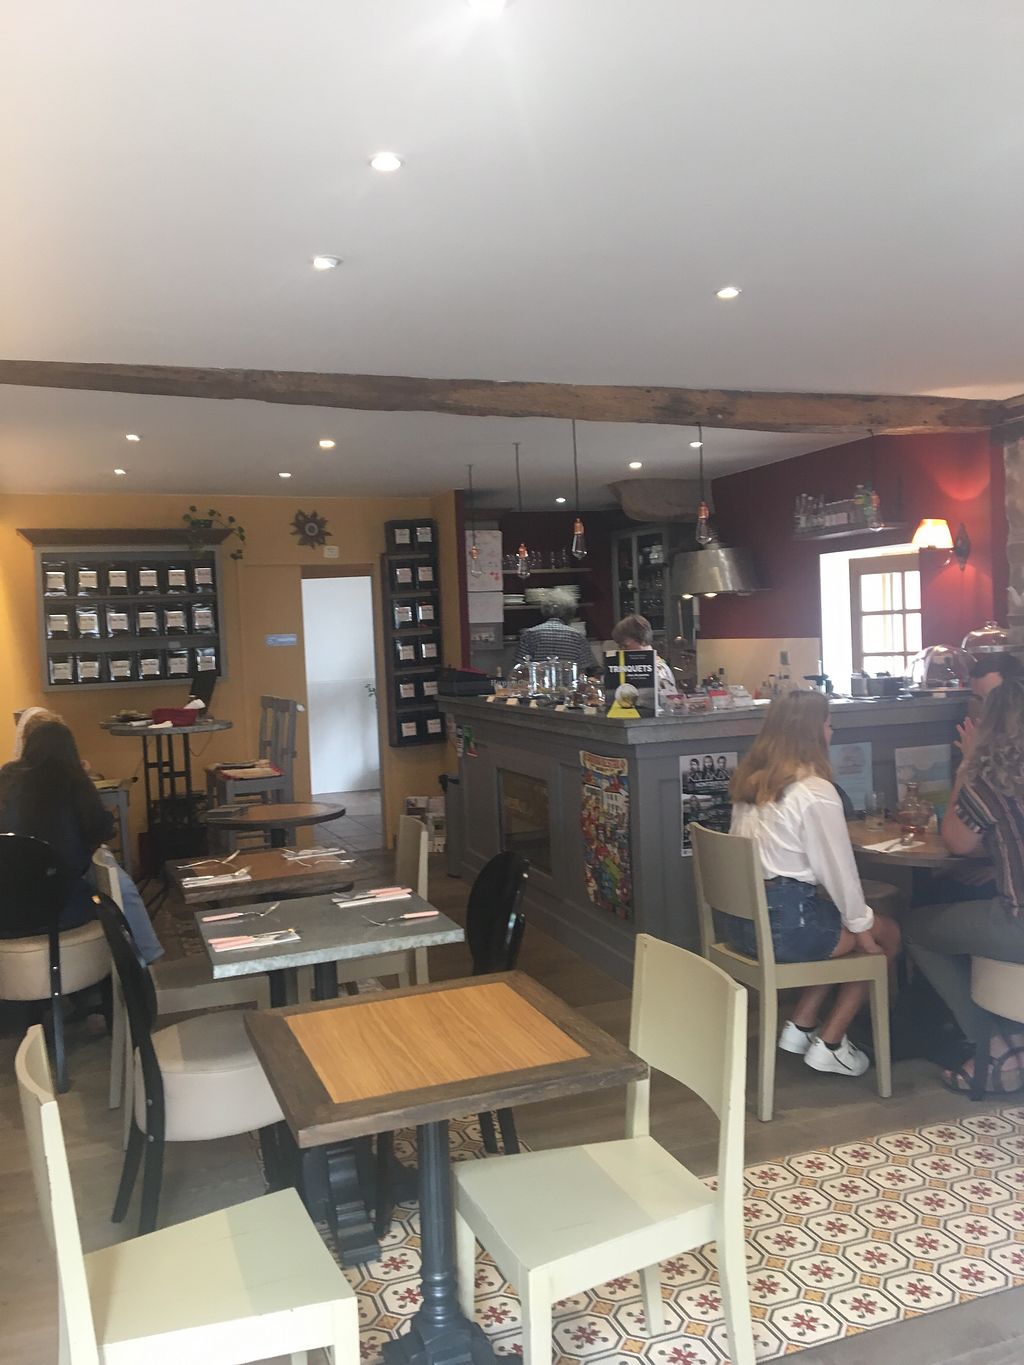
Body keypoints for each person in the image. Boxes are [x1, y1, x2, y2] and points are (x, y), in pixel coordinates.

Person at [721, 690, 901, 1078]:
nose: (832, 731)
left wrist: (855, 924)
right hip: (787, 929)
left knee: (841, 926)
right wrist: (864, 929)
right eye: (829, 723)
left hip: (742, 926)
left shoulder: (752, 783)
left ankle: (802, 1024)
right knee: (885, 934)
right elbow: (839, 873)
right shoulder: (815, 792)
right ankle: (831, 1043)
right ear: (813, 732)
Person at [903, 678, 1024, 1094]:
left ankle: (994, 1041)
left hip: (1018, 924)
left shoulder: (990, 781)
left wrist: (968, 765)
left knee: (914, 928)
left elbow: (957, 841)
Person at [5, 715, 163, 962]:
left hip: (8, 912)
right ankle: (143, 960)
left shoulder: (6, 778)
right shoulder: (75, 781)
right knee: (109, 877)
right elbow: (101, 830)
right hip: (61, 911)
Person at [515, 587, 596, 673]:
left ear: (544, 610)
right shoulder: (578, 636)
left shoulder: (529, 634)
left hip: (539, 681)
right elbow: (584, 668)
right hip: (569, 681)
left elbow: (521, 667)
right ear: (570, 613)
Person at [610, 614, 676, 693]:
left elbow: (669, 696)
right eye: (620, 647)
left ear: (642, 640)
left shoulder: (659, 669)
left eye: (625, 646)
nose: (622, 651)